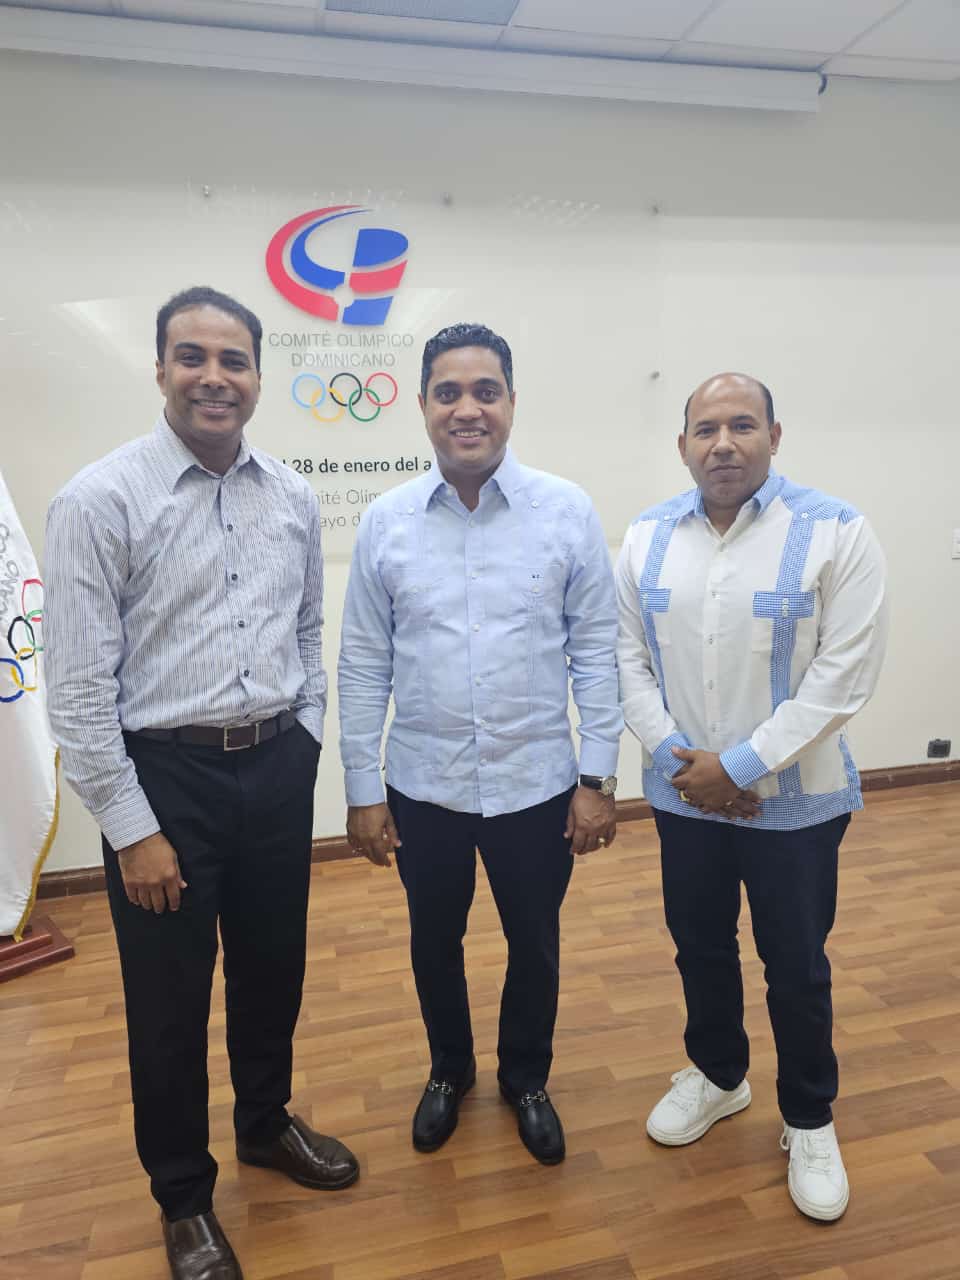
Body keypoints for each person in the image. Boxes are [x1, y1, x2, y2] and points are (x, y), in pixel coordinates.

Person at [44, 286, 358, 1280]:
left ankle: (265, 1122)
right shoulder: (99, 500)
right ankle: (183, 1195)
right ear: (160, 369)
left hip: (275, 766)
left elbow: (307, 629)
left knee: (273, 971)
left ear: (259, 375)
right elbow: (77, 689)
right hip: (163, 782)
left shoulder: (292, 495)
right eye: (193, 357)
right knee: (169, 1004)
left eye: (234, 360)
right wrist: (131, 827)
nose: (214, 378)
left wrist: (306, 740)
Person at [337, 322, 622, 1165]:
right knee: (435, 942)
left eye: (485, 391)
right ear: (424, 406)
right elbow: (362, 663)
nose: (468, 409)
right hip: (424, 786)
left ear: (511, 403)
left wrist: (598, 778)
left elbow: (596, 651)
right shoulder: (387, 522)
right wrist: (362, 789)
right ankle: (449, 1071)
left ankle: (526, 1078)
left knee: (535, 943)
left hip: (538, 784)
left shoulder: (565, 510)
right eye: (449, 393)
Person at [615, 371, 887, 1222]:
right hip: (683, 798)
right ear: (682, 445)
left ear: (775, 435)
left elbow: (844, 678)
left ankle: (808, 1117)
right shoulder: (647, 537)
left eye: (742, 425)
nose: (723, 443)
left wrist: (736, 768)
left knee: (796, 965)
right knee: (699, 946)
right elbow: (626, 659)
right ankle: (719, 1075)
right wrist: (682, 762)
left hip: (793, 805)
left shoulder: (837, 530)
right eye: (706, 429)